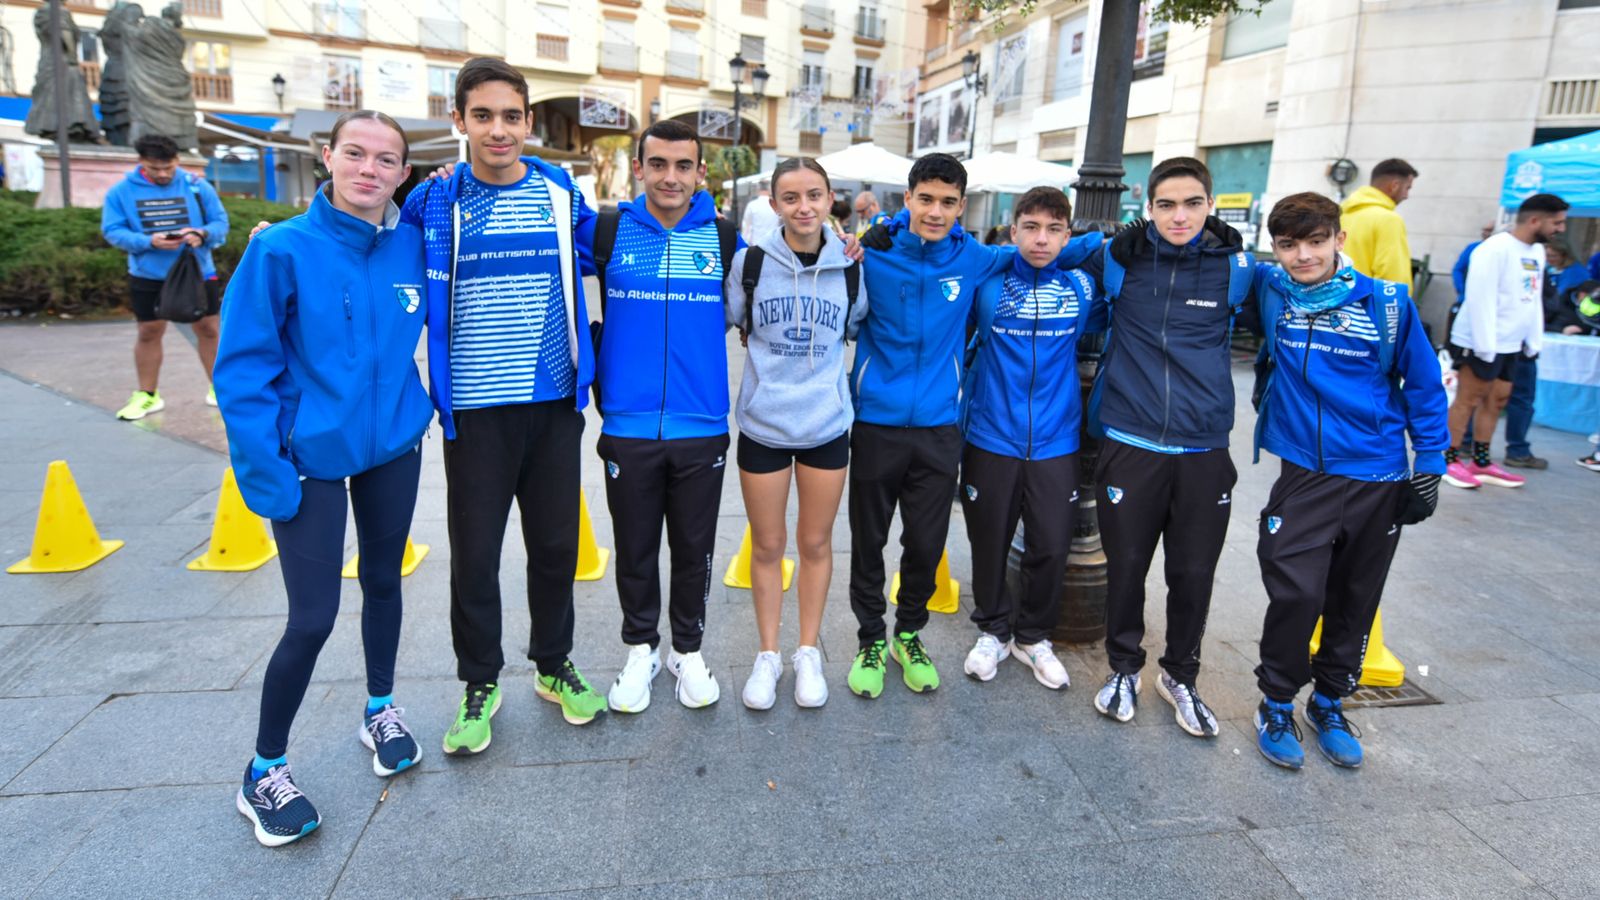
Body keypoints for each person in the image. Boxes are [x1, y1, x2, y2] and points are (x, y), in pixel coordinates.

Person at [215, 111, 431, 846]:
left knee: (384, 581)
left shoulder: (412, 243)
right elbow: (242, 369)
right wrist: (264, 471)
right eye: (355, 154)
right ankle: (263, 770)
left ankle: (380, 709)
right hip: (307, 460)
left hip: (392, 448)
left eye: (386, 159)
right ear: (328, 159)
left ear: (405, 173)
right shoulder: (281, 248)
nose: (369, 169)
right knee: (310, 618)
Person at [398, 58, 607, 752]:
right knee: (476, 555)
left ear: (527, 122)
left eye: (511, 116)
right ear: (459, 121)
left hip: (552, 404)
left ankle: (554, 665)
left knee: (555, 547)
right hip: (477, 412)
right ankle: (479, 682)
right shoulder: (433, 201)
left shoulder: (561, 196)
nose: (498, 129)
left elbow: (609, 251)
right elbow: (378, 257)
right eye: (482, 115)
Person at [848, 153, 1095, 697]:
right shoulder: (873, 255)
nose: (935, 211)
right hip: (875, 423)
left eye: (948, 202)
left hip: (940, 428)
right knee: (868, 541)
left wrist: (1104, 241)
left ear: (962, 207)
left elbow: (1048, 247)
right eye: (926, 199)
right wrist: (872, 233)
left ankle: (907, 634)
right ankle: (869, 637)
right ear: (907, 198)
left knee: (926, 543)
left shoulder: (976, 259)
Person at [1246, 192, 1449, 771]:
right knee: (1297, 593)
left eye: (1315, 241)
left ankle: (1330, 701)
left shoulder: (1387, 303)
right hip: (1304, 473)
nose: (1302, 255)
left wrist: (1429, 467)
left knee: (1355, 598)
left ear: (1339, 239)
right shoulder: (1272, 289)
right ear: (1277, 248)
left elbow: (1424, 386)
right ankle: (1278, 702)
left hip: (1376, 474)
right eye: (1288, 244)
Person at [1078, 156, 1252, 739]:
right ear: (1147, 208)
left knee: (1193, 571)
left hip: (1204, 448)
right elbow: (1041, 248)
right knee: (1125, 567)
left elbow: (1309, 281)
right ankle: (1124, 668)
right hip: (1131, 439)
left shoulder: (1239, 269)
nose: (1180, 216)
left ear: (1211, 205)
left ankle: (1180, 674)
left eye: (1193, 204)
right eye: (1167, 205)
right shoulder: (1119, 261)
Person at [587, 120, 742, 712]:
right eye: (658, 164)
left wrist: (861, 243)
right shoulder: (606, 230)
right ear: (639, 169)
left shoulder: (726, 240)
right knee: (634, 546)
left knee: (695, 545)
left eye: (683, 166)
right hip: (627, 424)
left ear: (700, 172)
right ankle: (641, 647)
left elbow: (787, 267)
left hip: (702, 425)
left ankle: (689, 648)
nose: (670, 176)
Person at [725, 157, 866, 710]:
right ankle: (768, 654)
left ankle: (807, 650)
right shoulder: (750, 264)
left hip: (825, 426)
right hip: (763, 424)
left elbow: (854, 327)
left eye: (814, 195)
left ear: (831, 199)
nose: (803, 207)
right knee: (767, 544)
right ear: (774, 203)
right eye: (791, 197)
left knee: (813, 543)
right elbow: (736, 318)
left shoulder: (854, 267)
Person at [959, 186, 1098, 690]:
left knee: (1051, 545)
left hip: (1058, 439)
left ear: (1067, 234)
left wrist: (1089, 243)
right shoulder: (988, 285)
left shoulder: (1082, 288)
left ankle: (1033, 637)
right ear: (1013, 230)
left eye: (1054, 229)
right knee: (989, 541)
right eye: (1032, 227)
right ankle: (993, 630)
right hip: (991, 436)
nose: (1042, 239)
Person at [99, 132, 229, 420]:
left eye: (168, 168)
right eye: (154, 168)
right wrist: (148, 241)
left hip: (196, 271)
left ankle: (219, 389)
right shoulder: (121, 192)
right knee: (149, 331)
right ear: (141, 162)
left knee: (208, 329)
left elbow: (221, 222)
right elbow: (112, 230)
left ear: (177, 161)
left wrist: (201, 234)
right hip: (149, 274)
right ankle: (147, 395)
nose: (162, 174)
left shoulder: (196, 186)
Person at [1443, 193, 1569, 490]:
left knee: (1497, 400)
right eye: (1558, 222)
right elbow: (1480, 300)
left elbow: (1532, 297)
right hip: (1479, 341)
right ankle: (1447, 459)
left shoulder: (1536, 252)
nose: (1561, 229)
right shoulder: (1494, 249)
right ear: (1535, 220)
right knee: (1468, 399)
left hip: (1512, 343)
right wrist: (1485, 345)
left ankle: (1481, 461)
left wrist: (1532, 338)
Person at [1340, 158, 1417, 290]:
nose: (1406, 195)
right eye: (1407, 188)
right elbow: (1392, 276)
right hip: (1367, 306)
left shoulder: (1341, 214)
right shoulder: (1389, 220)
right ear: (1395, 186)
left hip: (1336, 303)